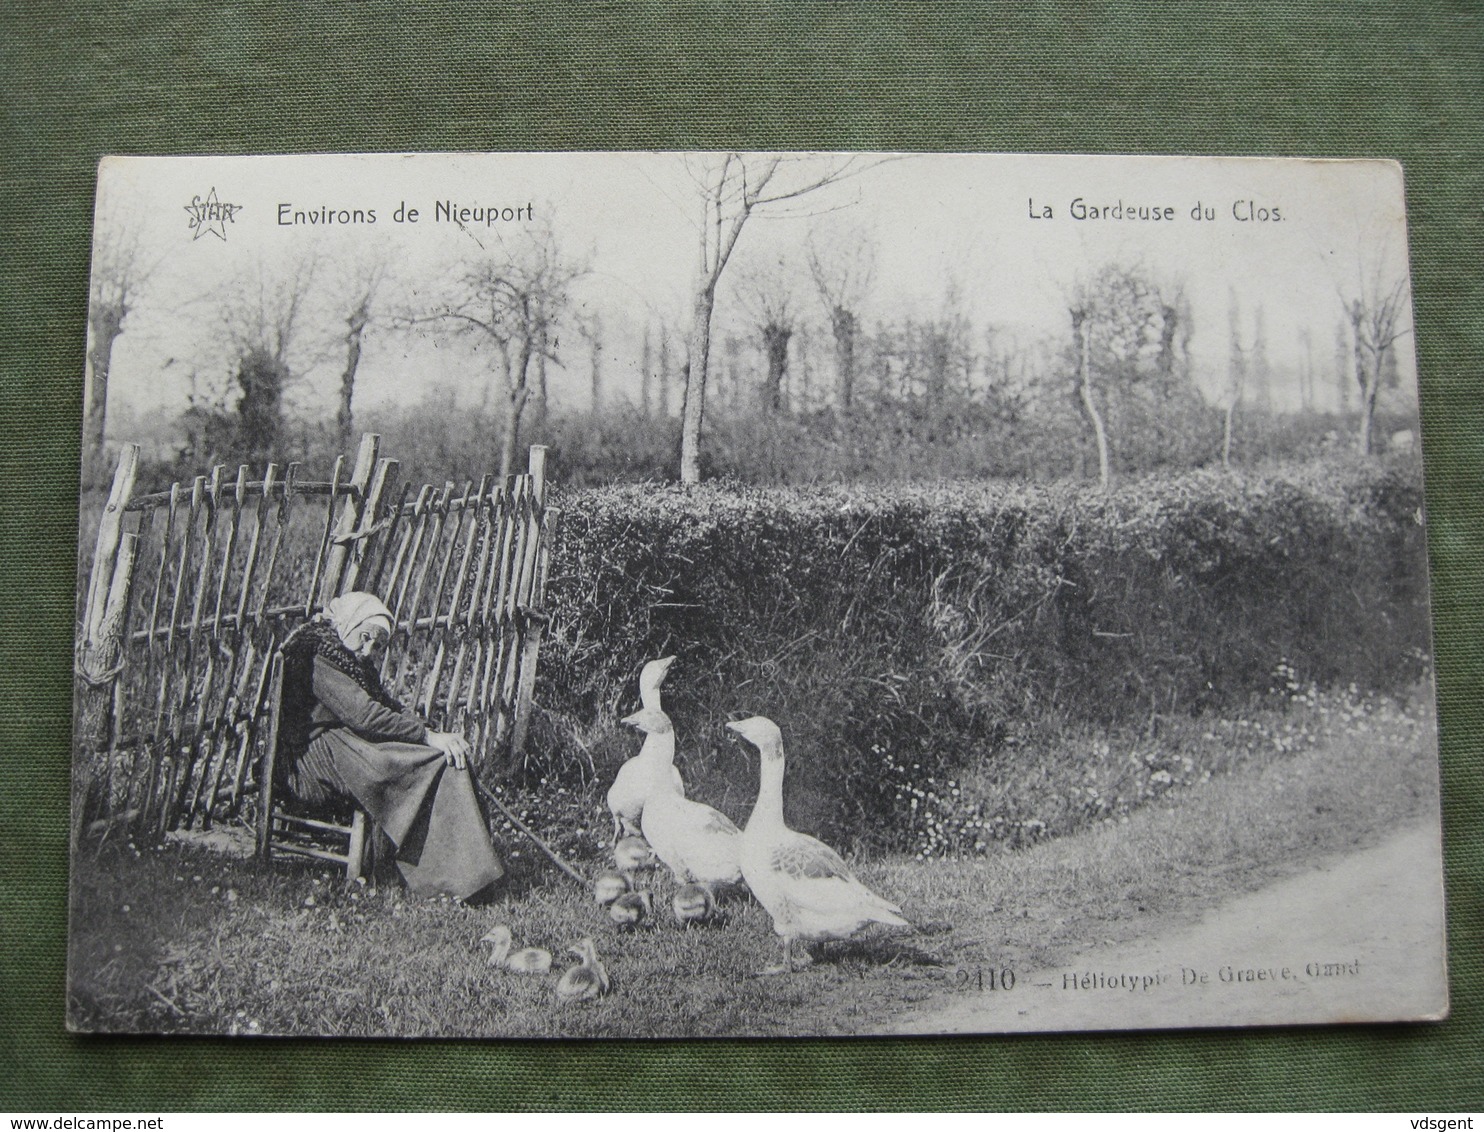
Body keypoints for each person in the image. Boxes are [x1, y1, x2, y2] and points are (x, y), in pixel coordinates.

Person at [276, 592, 505, 902]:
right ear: (350, 623)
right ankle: (446, 877)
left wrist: (430, 734)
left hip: (346, 741)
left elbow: (385, 705)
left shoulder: (350, 657)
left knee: (438, 759)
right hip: (312, 752)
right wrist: (425, 738)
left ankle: (468, 878)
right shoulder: (316, 655)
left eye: (378, 645)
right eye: (366, 637)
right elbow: (363, 714)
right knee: (395, 767)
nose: (369, 649)